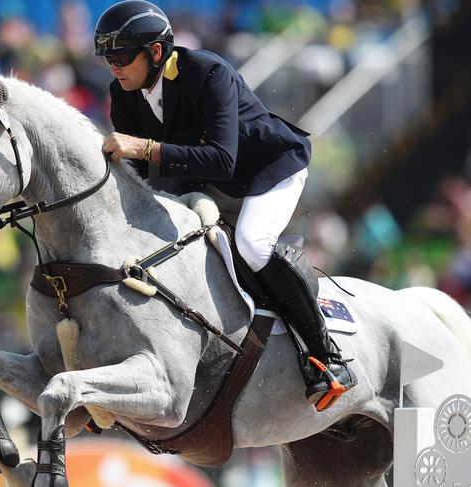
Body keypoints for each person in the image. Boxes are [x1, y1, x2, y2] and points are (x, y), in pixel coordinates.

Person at [95, 0, 356, 411]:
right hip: (206, 181)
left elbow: (222, 159)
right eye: (108, 59)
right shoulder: (122, 93)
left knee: (252, 243)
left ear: (157, 52)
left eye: (122, 57)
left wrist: (143, 147)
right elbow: (141, 178)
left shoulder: (208, 72)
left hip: (269, 169)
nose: (114, 67)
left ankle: (326, 357)